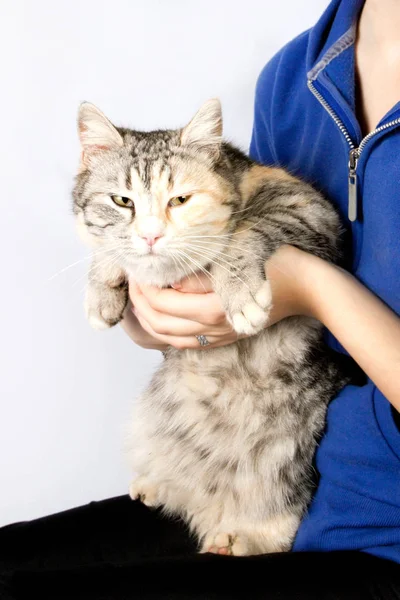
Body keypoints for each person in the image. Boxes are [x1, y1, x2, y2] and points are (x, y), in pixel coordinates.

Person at [1, 0, 399, 597]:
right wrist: (159, 317)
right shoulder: (296, 74)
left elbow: (282, 279)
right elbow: (231, 281)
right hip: (248, 470)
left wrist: (314, 288)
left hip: (376, 530)